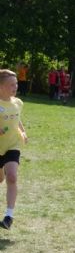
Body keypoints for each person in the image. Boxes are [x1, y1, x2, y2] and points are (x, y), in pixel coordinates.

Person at [0, 70, 28, 230]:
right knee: (0, 179)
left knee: (12, 177)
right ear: (1, 87)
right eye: (11, 85)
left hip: (13, 145)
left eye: (16, 84)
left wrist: (23, 132)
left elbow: (17, 119)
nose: (15, 87)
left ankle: (9, 216)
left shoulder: (18, 103)